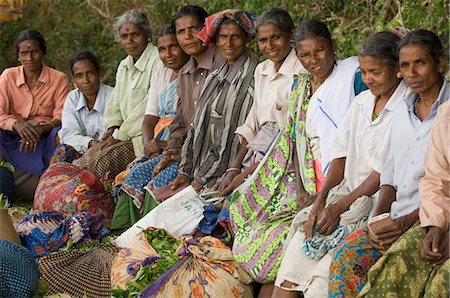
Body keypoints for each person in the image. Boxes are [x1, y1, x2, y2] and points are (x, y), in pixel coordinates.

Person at [228, 18, 366, 296]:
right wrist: (302, 190)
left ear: (334, 47)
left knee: (287, 240)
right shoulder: (300, 86)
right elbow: (291, 139)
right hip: (302, 181)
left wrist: (322, 195)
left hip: (341, 179)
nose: (313, 60)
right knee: (243, 220)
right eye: (304, 54)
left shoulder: (352, 77)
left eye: (320, 51)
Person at [274, 31, 407, 298]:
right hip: (345, 194)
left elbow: (383, 173)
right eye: (364, 72)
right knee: (293, 262)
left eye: (376, 72)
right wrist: (321, 201)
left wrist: (339, 207)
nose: (368, 79)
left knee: (321, 283)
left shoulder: (406, 107)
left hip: (379, 201)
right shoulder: (362, 102)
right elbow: (340, 156)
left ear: (397, 70)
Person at [329, 29, 449, 298]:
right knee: (345, 260)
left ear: (439, 62)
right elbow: (389, 176)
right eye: (405, 65)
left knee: (396, 275)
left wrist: (406, 223)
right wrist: (378, 220)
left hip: (427, 218)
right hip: (396, 216)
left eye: (420, 63)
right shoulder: (402, 110)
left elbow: (439, 183)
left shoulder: (447, 111)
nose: (412, 73)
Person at [110, 5, 225, 229]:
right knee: (137, 174)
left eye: (194, 29)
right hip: (181, 145)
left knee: (160, 183)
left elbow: (215, 126)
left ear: (207, 29)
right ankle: (126, 231)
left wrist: (173, 149)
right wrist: (170, 148)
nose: (188, 37)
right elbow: (180, 121)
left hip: (209, 151)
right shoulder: (186, 72)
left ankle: (151, 234)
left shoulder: (220, 66)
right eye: (182, 31)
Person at [358, 102, 450, 298]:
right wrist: (436, 226)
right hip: (440, 217)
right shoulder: (447, 114)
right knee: (395, 266)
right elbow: (436, 179)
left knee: (440, 286)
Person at [169, 9, 257, 194]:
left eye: (236, 37)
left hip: (224, 173)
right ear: (216, 41)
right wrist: (185, 172)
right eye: (223, 37)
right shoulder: (215, 77)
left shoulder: (250, 80)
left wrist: (199, 179)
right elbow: (196, 128)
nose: (229, 43)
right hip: (201, 170)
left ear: (247, 39)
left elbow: (230, 141)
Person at [74, 9, 163, 181]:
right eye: (124, 36)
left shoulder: (158, 61)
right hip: (120, 135)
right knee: (83, 163)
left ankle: (101, 204)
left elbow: (148, 108)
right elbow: (114, 105)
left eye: (135, 34)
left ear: (147, 34)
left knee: (100, 165)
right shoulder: (124, 65)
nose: (129, 41)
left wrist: (119, 136)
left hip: (142, 138)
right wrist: (111, 129)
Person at [0, 29, 70, 201]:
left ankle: (48, 182)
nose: (29, 58)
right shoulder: (8, 76)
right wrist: (17, 125)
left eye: (34, 52)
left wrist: (41, 129)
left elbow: (62, 116)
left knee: (61, 134)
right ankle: (9, 180)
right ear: (18, 56)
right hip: (13, 137)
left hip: (44, 138)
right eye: (24, 53)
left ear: (43, 52)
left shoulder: (58, 79)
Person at [51, 51, 114, 164]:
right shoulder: (72, 98)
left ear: (99, 73)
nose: (86, 80)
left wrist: (98, 145)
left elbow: (113, 130)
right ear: (74, 80)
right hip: (81, 151)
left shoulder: (113, 96)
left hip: (107, 152)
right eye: (79, 76)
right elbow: (68, 133)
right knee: (63, 150)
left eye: (90, 73)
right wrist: (89, 143)